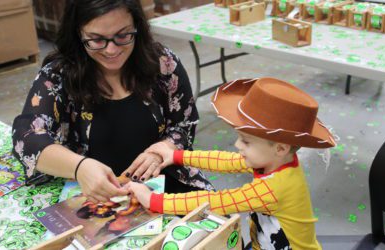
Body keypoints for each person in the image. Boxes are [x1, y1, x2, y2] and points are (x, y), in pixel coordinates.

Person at [12, 0, 213, 204]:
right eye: (96, 40)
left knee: (215, 224)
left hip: (164, 184)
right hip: (96, 196)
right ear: (78, 33)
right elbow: (26, 138)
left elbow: (184, 124)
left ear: (137, 26)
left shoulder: (162, 64)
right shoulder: (59, 76)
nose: (111, 50)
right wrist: (80, 167)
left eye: (123, 35)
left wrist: (161, 151)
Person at [125, 77, 336, 249]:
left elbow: (216, 201)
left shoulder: (273, 188)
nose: (237, 144)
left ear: (280, 148)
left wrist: (153, 200)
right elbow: (226, 161)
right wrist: (178, 156)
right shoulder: (276, 161)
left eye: (246, 141)